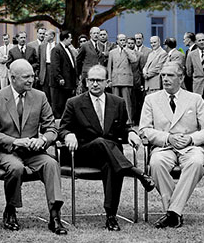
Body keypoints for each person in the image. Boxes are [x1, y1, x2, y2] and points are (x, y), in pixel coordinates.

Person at [58, 64, 156, 231]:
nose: (95, 84)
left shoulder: (117, 102)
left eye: (99, 80)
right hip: (83, 152)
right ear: (86, 82)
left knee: (112, 165)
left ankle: (111, 216)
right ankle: (135, 172)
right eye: (92, 80)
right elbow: (62, 128)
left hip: (109, 156)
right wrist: (68, 134)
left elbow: (123, 128)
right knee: (101, 142)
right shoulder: (74, 103)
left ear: (107, 82)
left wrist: (131, 133)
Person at [0, 60, 67, 235]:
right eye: (26, 77)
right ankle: (10, 209)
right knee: (16, 167)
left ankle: (55, 214)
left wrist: (43, 140)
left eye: (32, 76)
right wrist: (14, 141)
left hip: (32, 151)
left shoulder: (40, 97)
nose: (31, 80)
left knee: (51, 164)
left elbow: (51, 128)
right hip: (4, 151)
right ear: (12, 78)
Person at [139, 61, 204, 228]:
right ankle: (174, 212)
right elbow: (144, 129)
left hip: (190, 147)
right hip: (164, 147)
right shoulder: (151, 99)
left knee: (196, 162)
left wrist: (191, 139)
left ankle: (172, 213)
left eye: (170, 75)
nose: (165, 79)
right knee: (156, 163)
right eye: (163, 75)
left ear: (180, 78)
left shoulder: (195, 99)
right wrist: (167, 138)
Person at [107, 32, 137, 120]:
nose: (122, 42)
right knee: (115, 101)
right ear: (117, 41)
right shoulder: (112, 52)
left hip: (126, 79)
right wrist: (109, 79)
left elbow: (134, 60)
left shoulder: (130, 51)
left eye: (124, 40)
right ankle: (116, 119)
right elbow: (109, 67)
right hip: (115, 78)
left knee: (127, 101)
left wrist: (126, 50)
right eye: (120, 40)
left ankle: (128, 120)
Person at [48, 31, 77, 119]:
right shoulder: (56, 49)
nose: (71, 40)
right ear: (65, 38)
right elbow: (55, 66)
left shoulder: (67, 49)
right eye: (70, 38)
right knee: (59, 104)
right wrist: (59, 78)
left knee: (66, 104)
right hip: (60, 84)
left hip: (68, 83)